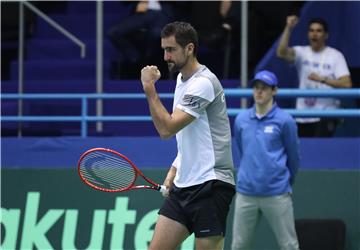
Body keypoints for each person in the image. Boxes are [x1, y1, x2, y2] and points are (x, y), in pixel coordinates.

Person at [140, 21, 235, 250]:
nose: (165, 56)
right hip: (184, 186)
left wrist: (149, 88)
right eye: (164, 49)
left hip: (211, 185)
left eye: (171, 49)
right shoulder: (182, 80)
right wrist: (175, 168)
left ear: (190, 48)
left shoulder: (203, 83)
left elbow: (167, 129)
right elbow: (189, 135)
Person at [231, 70, 300, 250]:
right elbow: (242, 149)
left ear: (274, 91)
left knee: (289, 246)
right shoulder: (241, 119)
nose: (259, 92)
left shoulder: (285, 121)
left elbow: (293, 158)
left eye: (264, 88)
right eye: (256, 88)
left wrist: (283, 183)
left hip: (277, 194)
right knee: (238, 246)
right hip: (246, 193)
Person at [276, 16, 352, 137]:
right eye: (311, 30)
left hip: (326, 115)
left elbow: (346, 83)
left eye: (318, 31)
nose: (314, 34)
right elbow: (281, 53)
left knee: (321, 152)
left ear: (326, 35)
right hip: (303, 115)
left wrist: (323, 79)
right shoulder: (301, 52)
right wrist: (288, 28)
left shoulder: (335, 56)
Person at [107, 1, 174, 78]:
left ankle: (156, 67)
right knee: (113, 32)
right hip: (141, 13)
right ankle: (138, 61)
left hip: (162, 13)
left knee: (156, 35)